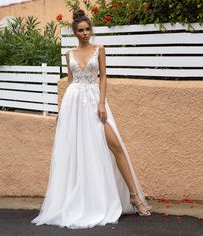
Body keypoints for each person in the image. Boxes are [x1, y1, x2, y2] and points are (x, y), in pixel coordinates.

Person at [31, 9, 152, 229]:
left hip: (95, 102)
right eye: (80, 30)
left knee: (116, 146)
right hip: (74, 105)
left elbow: (103, 77)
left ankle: (134, 196)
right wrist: (62, 110)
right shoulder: (69, 54)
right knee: (80, 153)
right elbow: (70, 82)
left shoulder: (100, 50)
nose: (85, 33)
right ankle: (86, 201)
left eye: (87, 29)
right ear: (75, 33)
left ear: (91, 30)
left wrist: (101, 103)